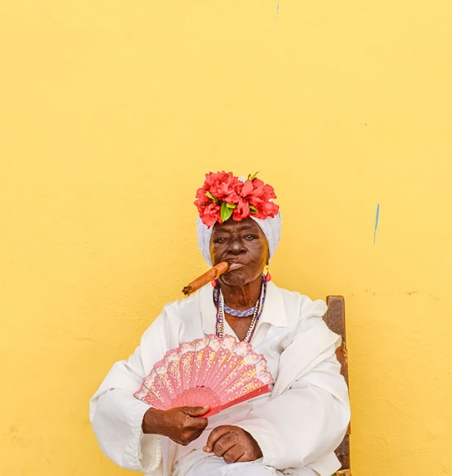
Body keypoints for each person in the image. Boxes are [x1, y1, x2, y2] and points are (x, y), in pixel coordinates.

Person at [89, 171, 351, 476]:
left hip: (288, 463)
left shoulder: (298, 317)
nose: (235, 248)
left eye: (250, 236)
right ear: (210, 252)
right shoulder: (179, 319)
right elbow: (112, 397)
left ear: (268, 249)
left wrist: (257, 440)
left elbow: (324, 399)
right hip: (200, 463)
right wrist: (154, 419)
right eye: (222, 239)